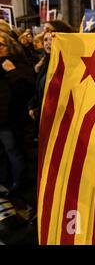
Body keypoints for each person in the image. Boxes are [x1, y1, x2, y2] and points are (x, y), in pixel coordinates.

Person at [0, 32, 35, 197]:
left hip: (11, 120)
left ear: (10, 46)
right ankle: (5, 182)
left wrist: (11, 72)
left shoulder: (19, 64)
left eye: (1, 45)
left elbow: (26, 90)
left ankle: (19, 186)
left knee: (14, 153)